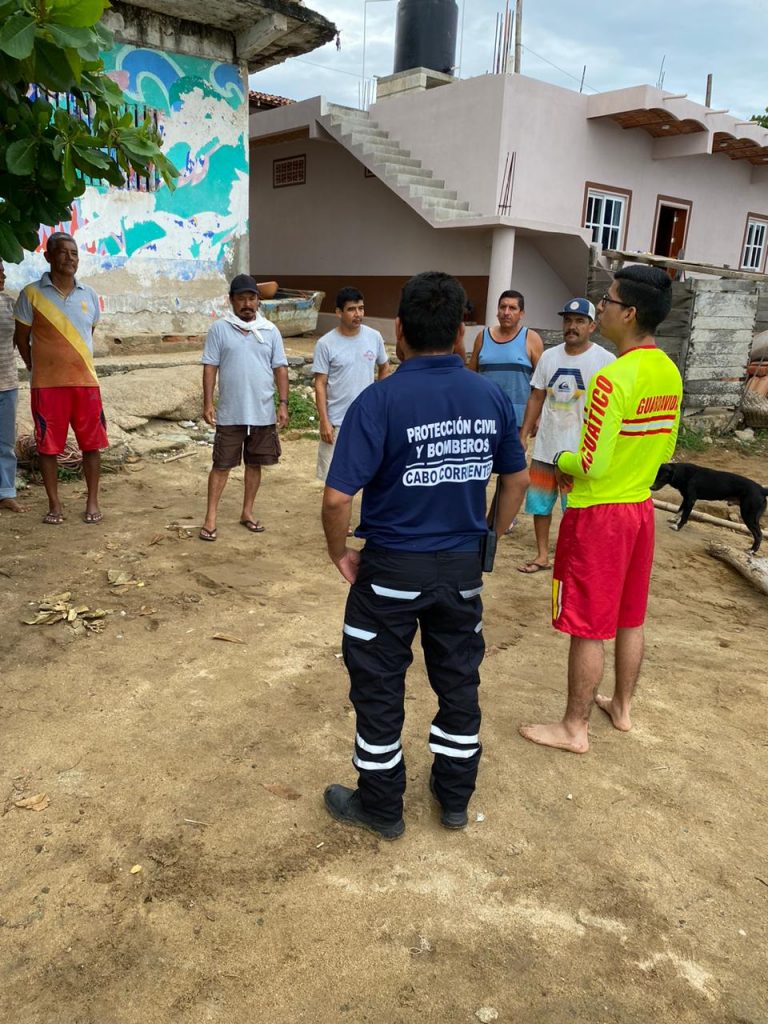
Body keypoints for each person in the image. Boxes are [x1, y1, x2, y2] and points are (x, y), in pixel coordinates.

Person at [321, 271, 529, 840]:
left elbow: (338, 497)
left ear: (398, 331)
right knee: (458, 681)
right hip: (461, 569)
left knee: (379, 687)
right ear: (462, 332)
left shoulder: (378, 400)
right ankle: (454, 797)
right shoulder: (488, 395)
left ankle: (383, 807)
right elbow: (515, 480)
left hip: (389, 569)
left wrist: (341, 554)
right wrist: (491, 536)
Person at [519, 265, 682, 754]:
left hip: (598, 515)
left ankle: (574, 726)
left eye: (608, 301)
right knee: (630, 616)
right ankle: (623, 707)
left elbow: (589, 461)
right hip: (638, 508)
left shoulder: (613, 378)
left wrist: (561, 461)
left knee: (588, 623)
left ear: (629, 313)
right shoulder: (668, 372)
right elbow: (667, 449)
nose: (602, 307)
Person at [14, 233, 107, 524]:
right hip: (47, 386)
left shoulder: (89, 295)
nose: (70, 258)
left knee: (91, 444)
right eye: (63, 252)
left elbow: (85, 335)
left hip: (86, 384)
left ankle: (92, 501)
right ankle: (54, 505)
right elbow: (21, 339)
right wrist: (36, 368)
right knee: (47, 447)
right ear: (48, 256)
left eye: (75, 253)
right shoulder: (31, 294)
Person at [517, 298, 615, 573]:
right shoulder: (549, 356)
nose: (572, 327)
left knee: (577, 510)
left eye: (579, 321)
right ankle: (541, 555)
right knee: (540, 504)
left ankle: (573, 559)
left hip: (580, 452)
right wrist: (524, 433)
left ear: (592, 326)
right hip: (547, 446)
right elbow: (537, 395)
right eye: (568, 321)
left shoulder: (606, 361)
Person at [199, 274, 289, 541]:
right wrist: (208, 402)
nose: (247, 304)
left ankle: (247, 512)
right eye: (242, 299)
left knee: (255, 463)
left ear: (258, 301)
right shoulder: (219, 329)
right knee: (221, 465)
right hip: (230, 412)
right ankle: (210, 518)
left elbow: (280, 368)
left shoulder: (271, 331)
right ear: (232, 301)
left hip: (262, 412)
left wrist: (282, 404)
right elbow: (210, 367)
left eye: (252, 298)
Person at [312, 286, 390, 484]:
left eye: (361, 308)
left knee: (369, 473)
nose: (358, 314)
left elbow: (384, 368)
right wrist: (324, 421)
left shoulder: (374, 337)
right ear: (339, 312)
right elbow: (320, 383)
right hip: (336, 421)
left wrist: (379, 403)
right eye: (352, 309)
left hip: (367, 419)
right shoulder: (326, 343)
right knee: (331, 477)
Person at [468, 290, 544, 427]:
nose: (506, 312)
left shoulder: (531, 338)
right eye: (502, 307)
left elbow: (542, 384)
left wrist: (538, 417)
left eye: (512, 308)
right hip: (485, 417)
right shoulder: (482, 337)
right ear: (497, 311)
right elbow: (470, 377)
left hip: (518, 420)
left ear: (521, 313)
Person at [0, 261, 27, 513]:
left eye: (2, 270)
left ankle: (6, 493)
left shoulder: (10, 304)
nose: (3, 274)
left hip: (6, 384)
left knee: (5, 443)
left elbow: (18, 341)